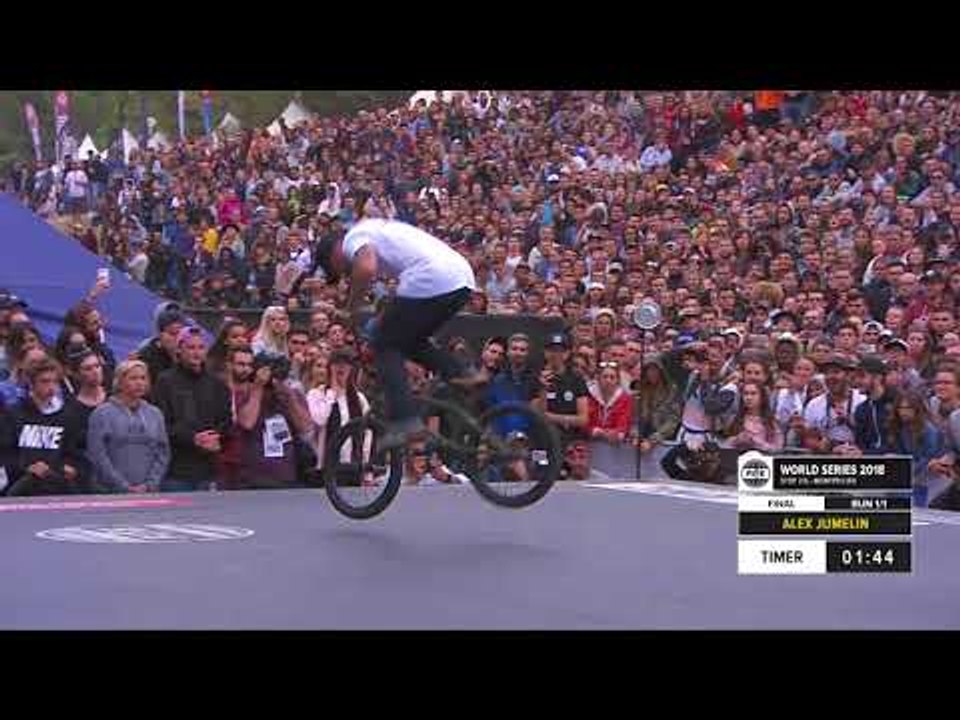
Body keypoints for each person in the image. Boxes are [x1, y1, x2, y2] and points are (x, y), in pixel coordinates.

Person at [316, 215, 482, 449]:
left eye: (338, 269)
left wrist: (350, 310)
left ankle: (405, 420)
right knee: (409, 340)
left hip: (432, 278)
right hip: (460, 280)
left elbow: (365, 269)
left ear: (334, 253)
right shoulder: (375, 231)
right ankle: (461, 373)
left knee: (383, 344)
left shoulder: (352, 239)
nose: (344, 273)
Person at [152, 326, 232, 492]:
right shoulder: (165, 382)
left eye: (201, 347)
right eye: (191, 347)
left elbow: (226, 421)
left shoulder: (216, 383)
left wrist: (216, 437)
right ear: (179, 350)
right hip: (176, 472)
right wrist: (193, 439)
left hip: (209, 471)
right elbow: (161, 424)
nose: (196, 353)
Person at [1, 357, 89, 496]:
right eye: (44, 381)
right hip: (22, 486)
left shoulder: (67, 415)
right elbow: (6, 453)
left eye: (55, 382)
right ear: (31, 383)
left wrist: (73, 467)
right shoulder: (13, 414)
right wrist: (26, 468)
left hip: (58, 485)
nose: (51, 387)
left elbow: (75, 451)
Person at [230, 350, 315, 490]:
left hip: (286, 475)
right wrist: (258, 387)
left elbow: (306, 427)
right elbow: (247, 423)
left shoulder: (290, 394)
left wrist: (289, 398)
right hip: (252, 478)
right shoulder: (244, 392)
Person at [86, 360, 170, 494]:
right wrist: (123, 486)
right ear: (119, 382)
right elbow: (98, 455)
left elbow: (163, 452)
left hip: (149, 492)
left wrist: (150, 484)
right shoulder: (101, 414)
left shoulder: (155, 414)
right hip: (110, 493)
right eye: (133, 378)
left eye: (143, 378)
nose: (139, 383)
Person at [307, 348, 371, 476]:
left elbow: (367, 435)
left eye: (346, 365)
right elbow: (319, 420)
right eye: (337, 364)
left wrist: (366, 468)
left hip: (353, 466)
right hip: (326, 467)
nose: (341, 368)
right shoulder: (317, 394)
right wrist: (332, 394)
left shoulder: (359, 399)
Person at [534, 333, 589, 448]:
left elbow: (583, 419)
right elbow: (537, 415)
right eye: (552, 350)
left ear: (567, 354)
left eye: (560, 351)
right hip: (541, 440)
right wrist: (543, 389)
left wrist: (554, 418)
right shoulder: (535, 377)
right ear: (545, 352)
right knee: (539, 463)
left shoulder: (577, 379)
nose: (556, 355)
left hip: (569, 442)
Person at [135, 302, 187, 392]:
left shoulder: (189, 351)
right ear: (161, 333)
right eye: (172, 333)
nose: (177, 338)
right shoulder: (146, 355)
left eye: (180, 333)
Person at [723, 382, 783, 453]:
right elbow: (725, 446)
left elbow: (778, 448)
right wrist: (737, 440)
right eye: (746, 394)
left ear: (762, 397)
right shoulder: (736, 419)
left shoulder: (771, 422)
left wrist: (755, 442)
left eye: (753, 394)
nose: (749, 397)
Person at [586, 360, 633, 446]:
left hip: (613, 445)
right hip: (589, 443)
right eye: (605, 377)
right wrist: (599, 432)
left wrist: (616, 433)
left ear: (618, 380)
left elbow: (624, 425)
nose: (608, 380)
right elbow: (585, 423)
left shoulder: (625, 398)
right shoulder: (588, 395)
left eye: (612, 377)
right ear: (598, 378)